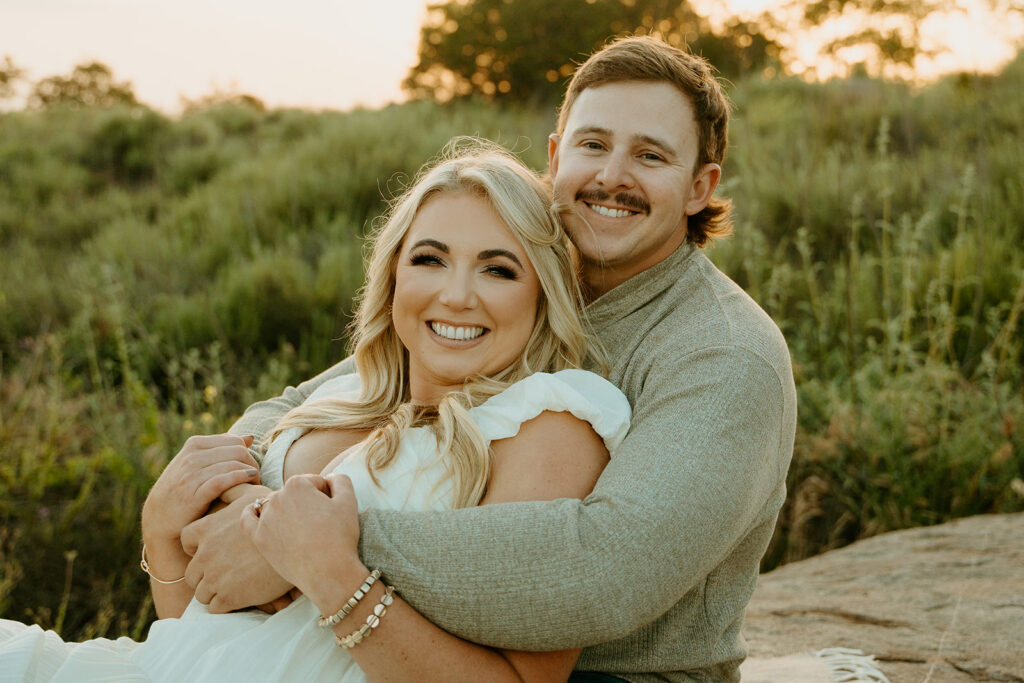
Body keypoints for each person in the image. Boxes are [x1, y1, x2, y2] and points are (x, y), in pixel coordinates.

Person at [183, 36, 798, 682]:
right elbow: (332, 392)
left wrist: (313, 544)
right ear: (556, 157)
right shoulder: (521, 286)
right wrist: (242, 493)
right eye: (593, 144)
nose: (612, 175)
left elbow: (603, 571)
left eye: (650, 155)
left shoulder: (725, 353)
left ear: (701, 186)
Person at [0, 143, 632, 682]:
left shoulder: (547, 421)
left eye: (497, 269)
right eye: (429, 259)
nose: (456, 294)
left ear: (541, 295)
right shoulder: (343, 394)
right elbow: (204, 636)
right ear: (392, 276)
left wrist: (331, 572)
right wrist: (161, 537)